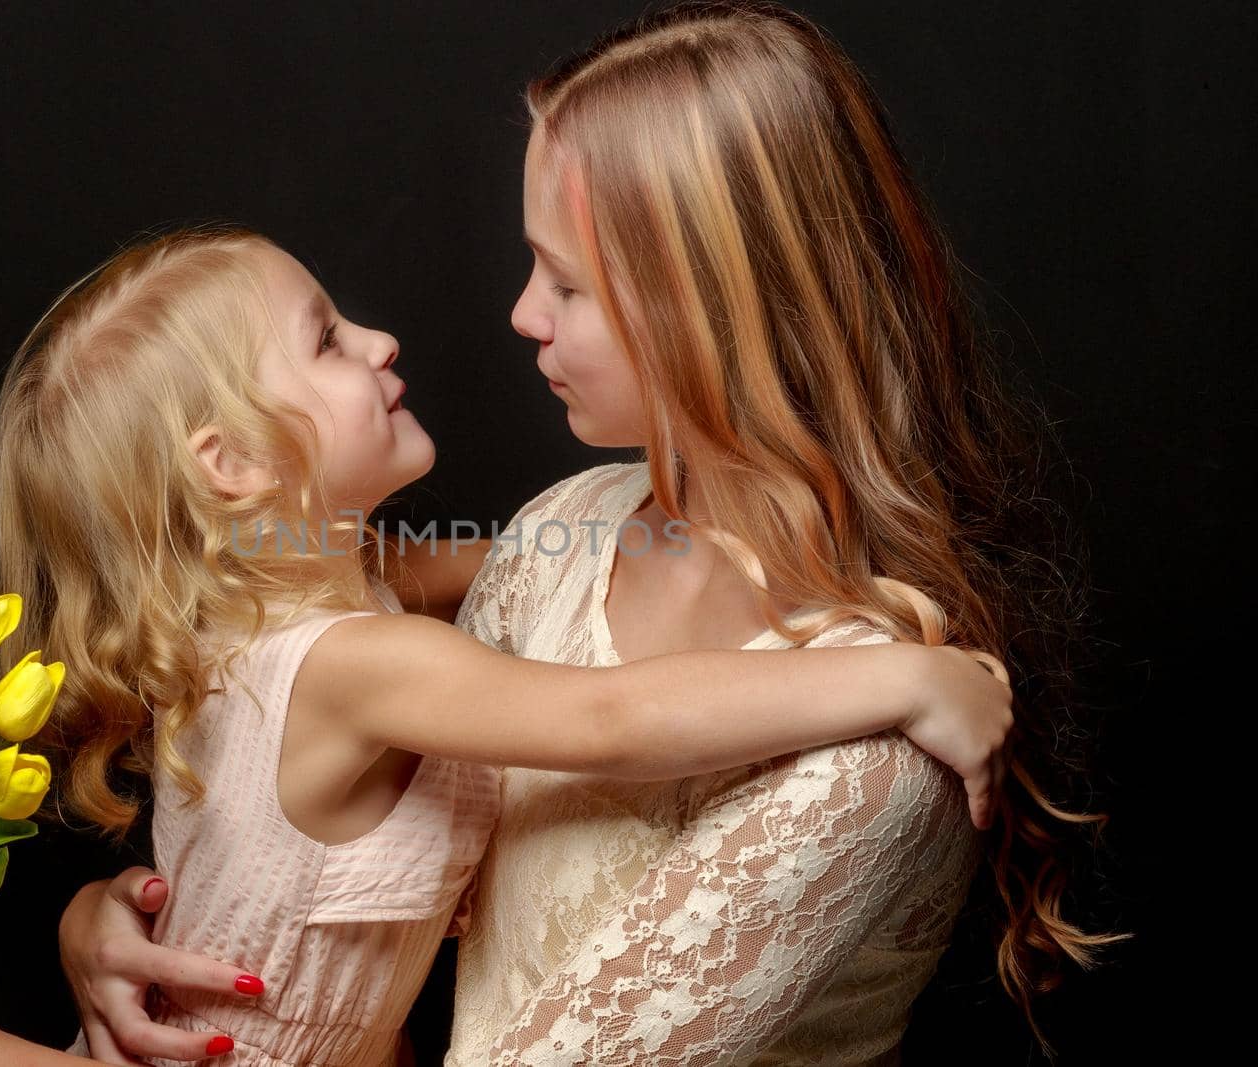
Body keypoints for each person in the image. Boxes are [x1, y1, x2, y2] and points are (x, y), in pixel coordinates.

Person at [55, 3, 1129, 1064]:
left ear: (712, 305)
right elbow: (331, 829)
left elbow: (603, 720)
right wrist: (139, 921)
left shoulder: (875, 755)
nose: (523, 315)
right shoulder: (562, 530)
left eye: (567, 282)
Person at [0, 225, 1010, 1067]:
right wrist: (896, 673)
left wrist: (700, 531)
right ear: (229, 462)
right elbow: (607, 719)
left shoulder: (270, 608)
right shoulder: (351, 666)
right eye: (325, 339)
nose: (378, 342)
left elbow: (539, 552)